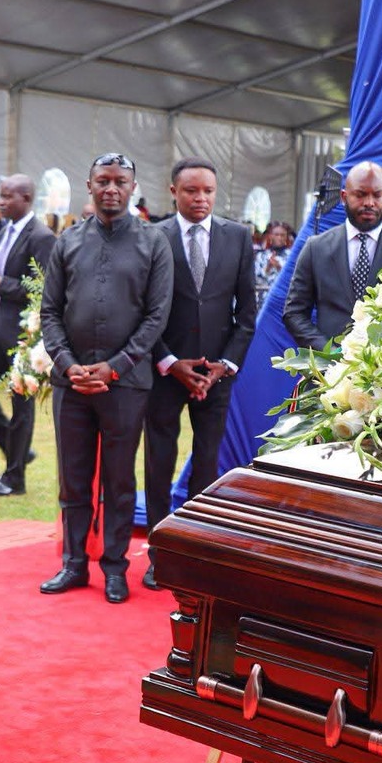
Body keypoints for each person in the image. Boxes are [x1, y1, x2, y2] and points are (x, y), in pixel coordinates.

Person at [39, 152, 173, 605]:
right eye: (103, 181)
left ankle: (115, 567)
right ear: (89, 184)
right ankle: (74, 563)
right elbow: (50, 311)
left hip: (126, 383)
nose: (111, 188)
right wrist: (66, 363)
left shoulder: (154, 243)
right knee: (72, 478)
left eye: (120, 181)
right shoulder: (68, 241)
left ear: (133, 187)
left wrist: (115, 366)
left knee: (118, 480)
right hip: (71, 383)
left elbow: (156, 317)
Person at [143, 157, 256, 590]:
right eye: (191, 191)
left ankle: (194, 551)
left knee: (207, 465)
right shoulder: (153, 237)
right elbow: (144, 310)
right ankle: (159, 554)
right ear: (174, 192)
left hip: (216, 374)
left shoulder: (238, 237)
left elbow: (246, 312)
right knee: (159, 463)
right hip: (166, 372)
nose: (201, 199)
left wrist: (223, 366)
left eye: (207, 191)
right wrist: (170, 362)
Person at [283, 161, 382, 350]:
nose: (369, 202)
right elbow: (294, 313)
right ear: (344, 197)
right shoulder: (316, 248)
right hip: (329, 373)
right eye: (360, 194)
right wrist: (327, 352)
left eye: (377, 195)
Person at [0, 173, 55, 497]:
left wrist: (2, 285)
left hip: (27, 334)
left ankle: (14, 479)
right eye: (0, 194)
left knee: (22, 406)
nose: (1, 201)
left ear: (25, 199)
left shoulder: (41, 236)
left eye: (8, 196)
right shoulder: (1, 229)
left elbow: (46, 289)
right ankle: (18, 451)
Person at [253, 220, 294, 310]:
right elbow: (256, 280)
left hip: (285, 301)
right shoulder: (261, 255)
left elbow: (294, 279)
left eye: (282, 235)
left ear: (286, 237)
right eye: (276, 234)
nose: (279, 238)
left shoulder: (292, 256)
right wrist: (267, 268)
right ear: (270, 236)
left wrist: (279, 267)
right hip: (264, 301)